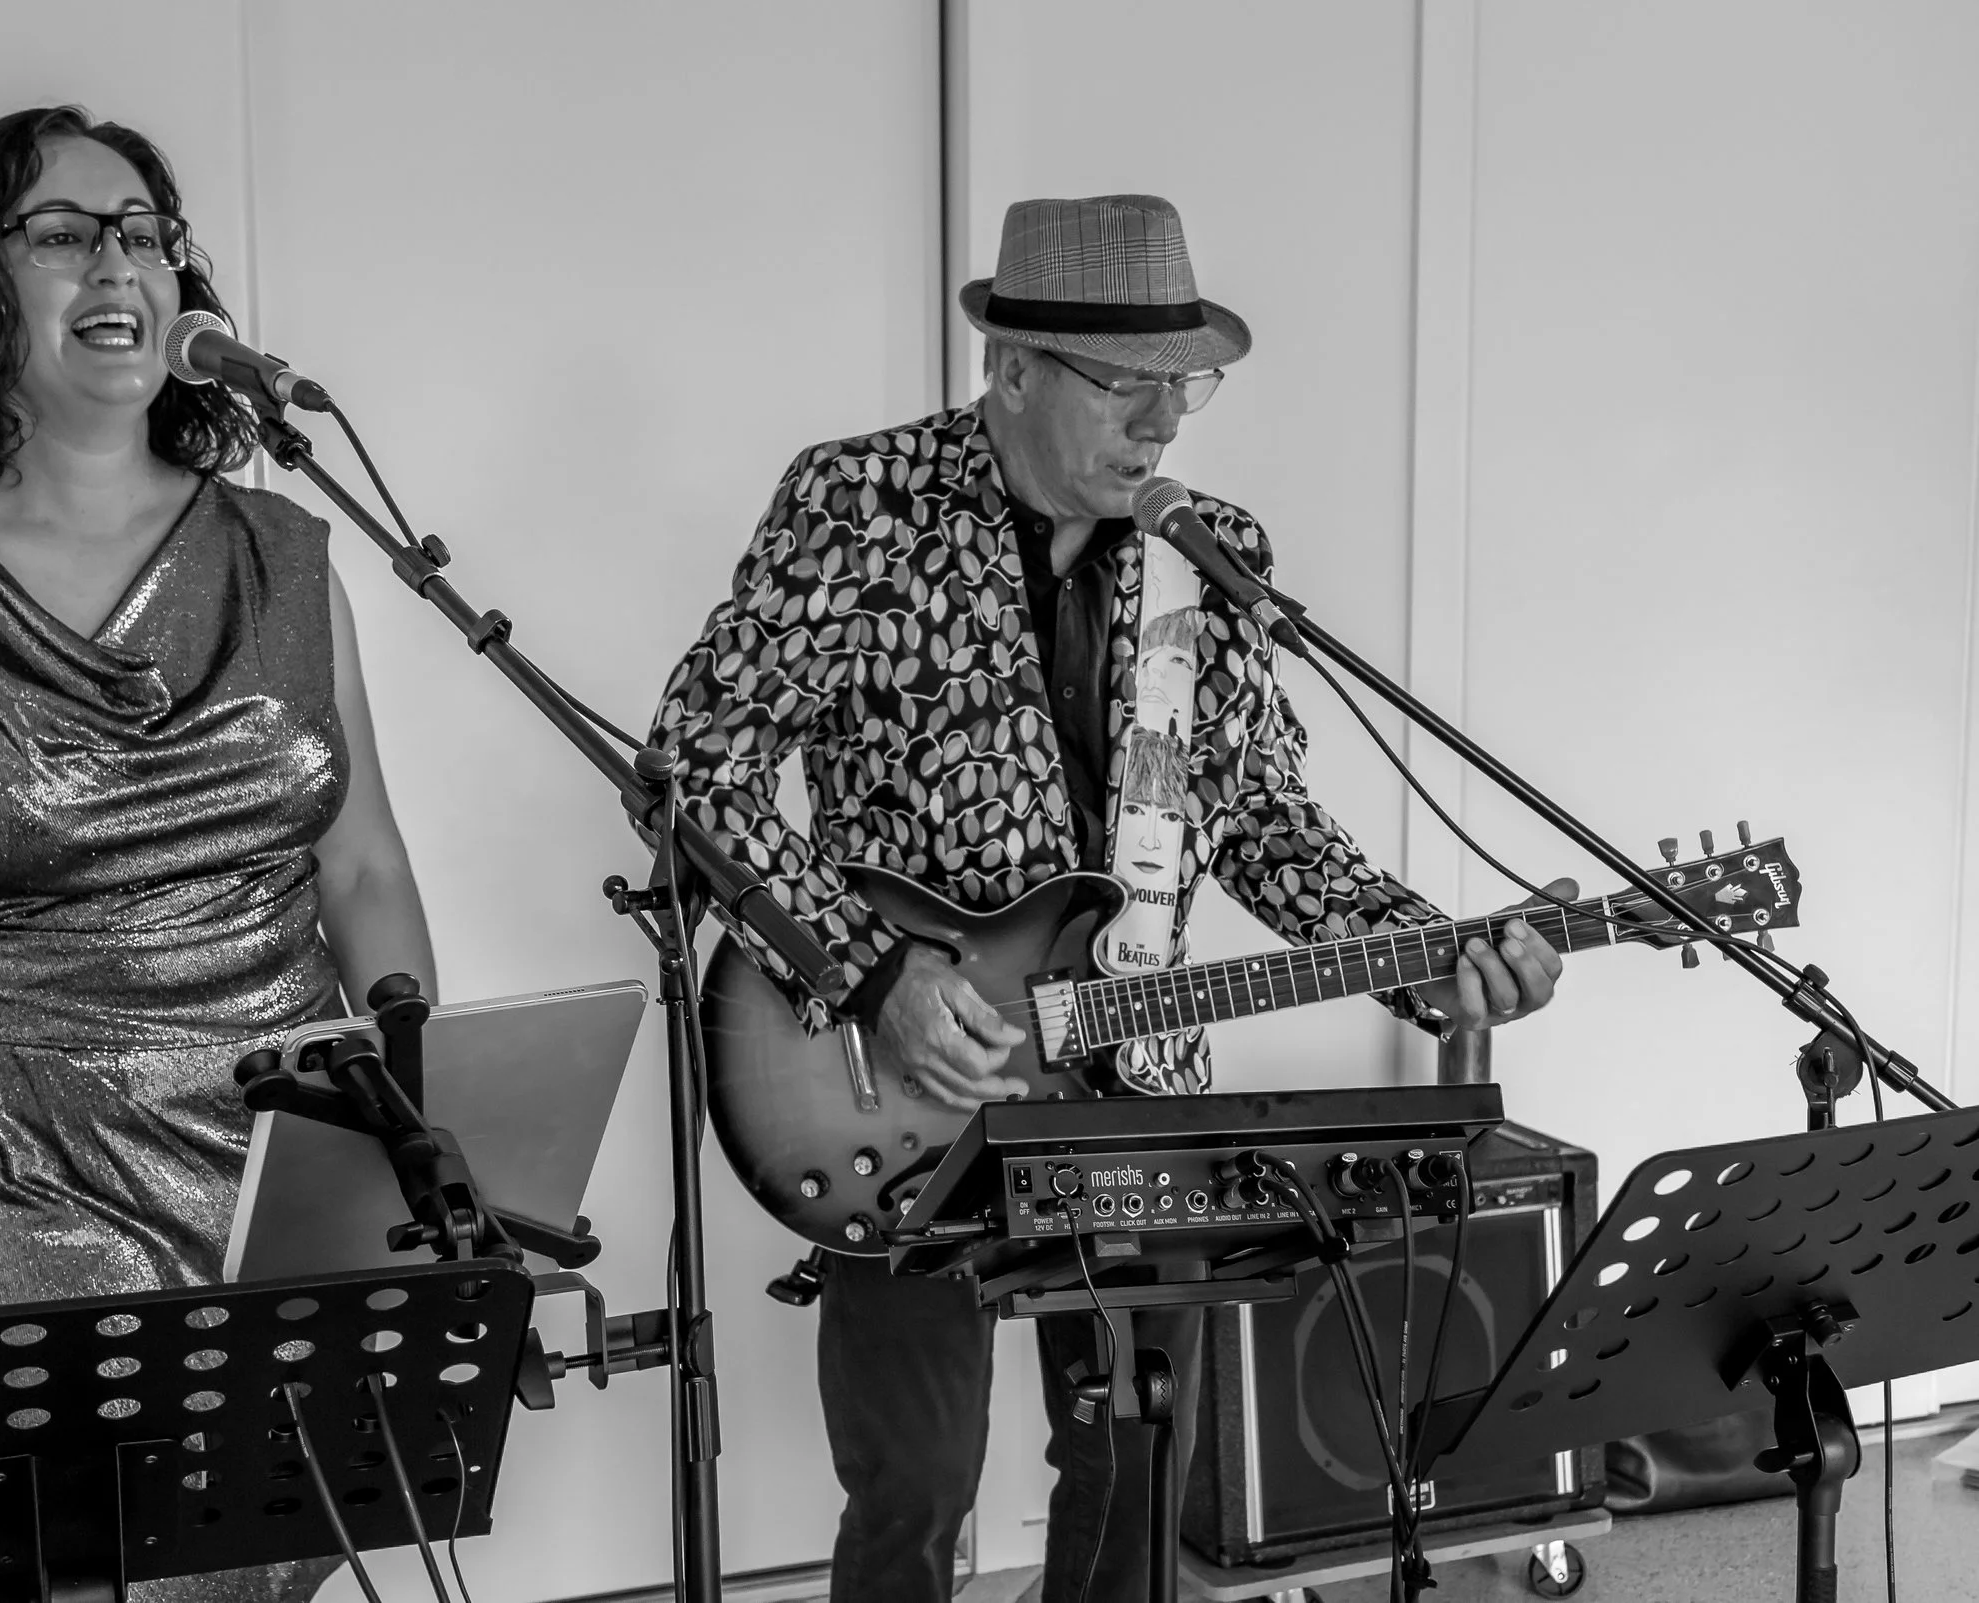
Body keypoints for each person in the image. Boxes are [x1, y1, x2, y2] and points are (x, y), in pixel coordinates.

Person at [649, 195, 1570, 1603]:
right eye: (1124, 384)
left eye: (1183, 385)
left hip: (1135, 1077)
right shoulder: (859, 504)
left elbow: (1260, 819)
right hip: (902, 1085)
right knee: (916, 1482)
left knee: (1136, 1467)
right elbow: (693, 768)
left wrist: (1421, 957)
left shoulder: (1214, 554)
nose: (1162, 422)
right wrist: (869, 976)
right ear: (1011, 367)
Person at [0, 106, 431, 1602]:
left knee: (275, 1566)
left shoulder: (285, 555)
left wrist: (421, 1144)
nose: (118, 262)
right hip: (21, 1184)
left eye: (144, 233)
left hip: (296, 1167)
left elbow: (365, 870)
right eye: (63, 233)